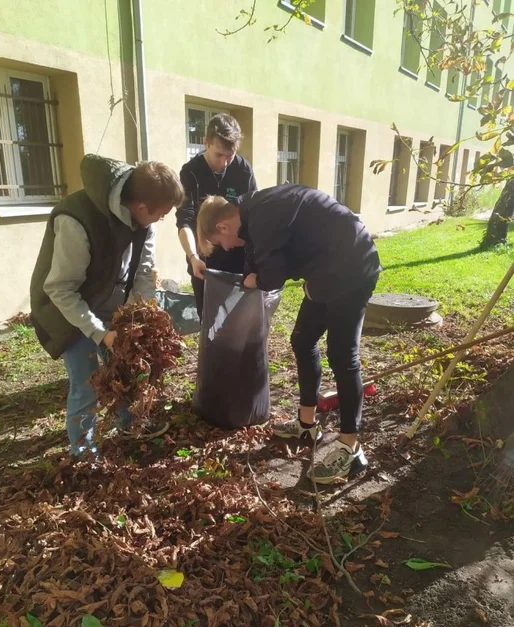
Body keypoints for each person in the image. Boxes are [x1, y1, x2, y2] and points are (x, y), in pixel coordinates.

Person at [196, 184, 381, 484]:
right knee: (303, 339)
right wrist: (249, 276)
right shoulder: (251, 211)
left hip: (352, 267)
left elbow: (273, 275)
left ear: (223, 225)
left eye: (222, 241)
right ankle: (307, 425)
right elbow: (254, 259)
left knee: (342, 354)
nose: (228, 247)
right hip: (326, 270)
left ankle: (351, 447)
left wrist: (257, 279)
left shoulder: (262, 215)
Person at [30, 153, 184, 457]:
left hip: (108, 302)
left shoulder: (142, 220)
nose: (161, 219)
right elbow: (61, 289)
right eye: (161, 214)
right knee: (88, 383)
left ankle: (128, 424)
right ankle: (84, 454)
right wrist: (101, 334)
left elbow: (142, 271)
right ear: (141, 207)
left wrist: (145, 315)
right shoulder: (77, 221)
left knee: (125, 366)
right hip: (68, 311)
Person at [176, 113, 257, 320]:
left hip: (237, 260)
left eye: (230, 155)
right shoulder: (191, 172)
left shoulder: (243, 170)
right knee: (210, 321)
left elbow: (253, 214)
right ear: (205, 143)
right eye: (219, 155)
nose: (225, 162)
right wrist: (193, 256)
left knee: (239, 320)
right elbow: (185, 219)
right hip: (204, 262)